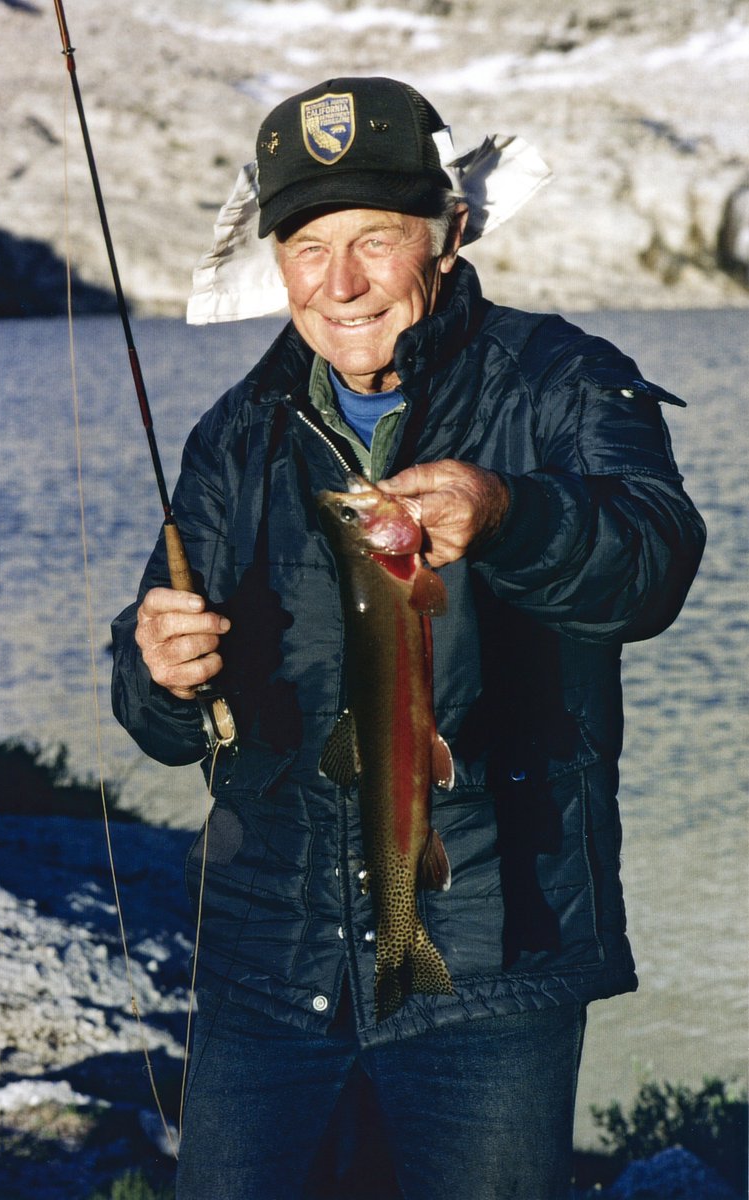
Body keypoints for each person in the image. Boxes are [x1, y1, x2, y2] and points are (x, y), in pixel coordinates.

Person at [111, 77, 706, 1200]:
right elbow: (154, 721)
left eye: (374, 239)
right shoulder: (235, 434)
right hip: (266, 968)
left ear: (449, 234)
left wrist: (511, 513)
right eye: (307, 245)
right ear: (276, 262)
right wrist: (157, 672)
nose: (339, 283)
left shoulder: (562, 382)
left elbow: (650, 564)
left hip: (494, 953)